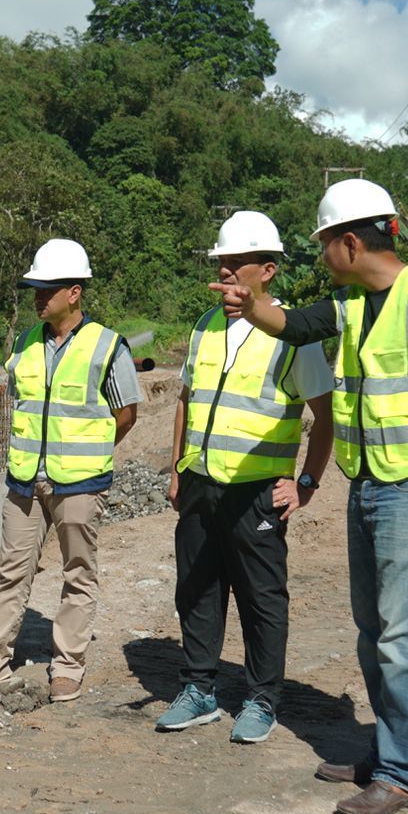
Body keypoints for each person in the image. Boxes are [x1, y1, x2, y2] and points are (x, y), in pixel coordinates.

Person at [211, 178, 408, 814]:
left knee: (404, 634)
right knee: (372, 630)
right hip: (368, 484)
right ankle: (385, 751)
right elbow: (292, 325)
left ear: (348, 241)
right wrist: (249, 302)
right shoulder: (352, 305)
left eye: (322, 246)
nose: (320, 258)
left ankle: (399, 773)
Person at [160, 211, 335, 743]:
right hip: (200, 485)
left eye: (238, 264)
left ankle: (261, 699)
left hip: (258, 493)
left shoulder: (294, 334)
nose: (228, 273)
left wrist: (305, 485)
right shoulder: (204, 327)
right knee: (196, 590)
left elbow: (324, 415)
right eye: (222, 263)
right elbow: (187, 401)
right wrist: (177, 470)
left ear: (269, 270)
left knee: (262, 599)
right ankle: (199, 690)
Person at [0, 238, 140, 705]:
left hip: (79, 484)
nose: (37, 296)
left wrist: (85, 452)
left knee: (79, 573)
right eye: (33, 288)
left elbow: (126, 414)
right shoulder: (25, 344)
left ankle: (68, 666)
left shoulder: (107, 346)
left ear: (74, 292)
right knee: (13, 574)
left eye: (46, 289)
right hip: (24, 483)